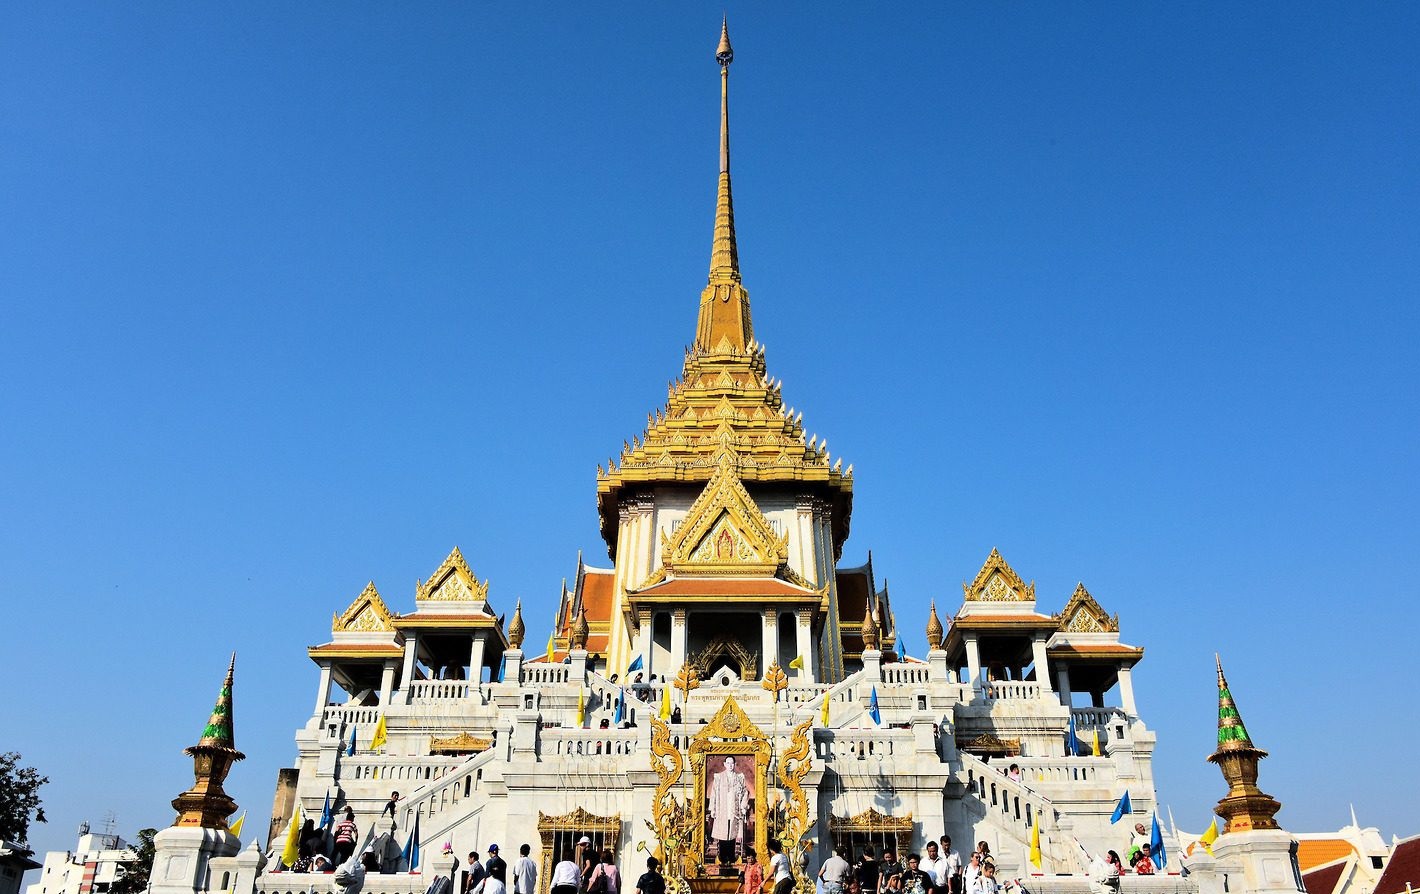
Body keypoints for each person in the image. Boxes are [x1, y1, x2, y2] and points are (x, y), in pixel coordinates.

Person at [709, 756, 752, 865]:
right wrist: (712, 809)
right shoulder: (718, 778)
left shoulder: (739, 778)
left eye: (732, 763)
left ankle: (731, 857)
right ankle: (723, 858)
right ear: (724, 764)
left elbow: (745, 792)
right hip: (722, 809)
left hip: (734, 810)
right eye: (728, 763)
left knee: (732, 834)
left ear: (734, 764)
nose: (730, 765)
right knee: (723, 834)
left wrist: (743, 806)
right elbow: (713, 794)